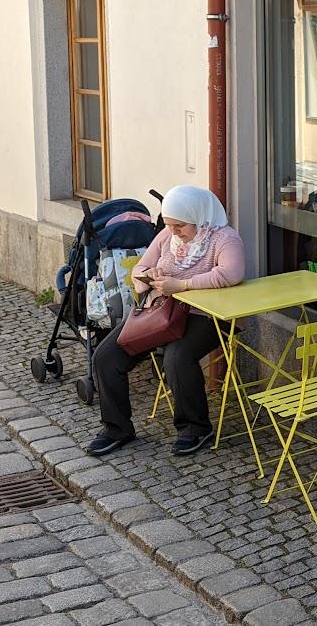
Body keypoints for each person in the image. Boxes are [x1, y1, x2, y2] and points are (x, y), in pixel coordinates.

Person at [88, 185, 245, 457]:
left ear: (199, 216)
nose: (174, 232)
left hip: (207, 317)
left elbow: (230, 274)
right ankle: (117, 428)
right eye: (169, 225)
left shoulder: (224, 238)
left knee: (176, 357)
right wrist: (151, 275)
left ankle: (195, 428)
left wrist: (181, 285)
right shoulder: (166, 236)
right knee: (105, 357)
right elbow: (138, 271)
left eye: (180, 225)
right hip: (161, 312)